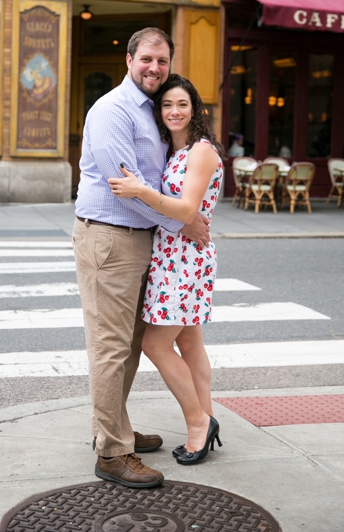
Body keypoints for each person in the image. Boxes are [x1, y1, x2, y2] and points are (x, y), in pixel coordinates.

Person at [73, 27, 210, 489]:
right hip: (111, 238)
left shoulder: (150, 110)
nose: (155, 67)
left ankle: (115, 430)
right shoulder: (113, 110)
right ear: (129, 59)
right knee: (112, 347)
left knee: (130, 344)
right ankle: (112, 452)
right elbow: (124, 186)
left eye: (162, 61)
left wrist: (173, 220)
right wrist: (182, 223)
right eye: (147, 59)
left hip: (140, 240)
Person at [109, 74, 224, 466]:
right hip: (172, 254)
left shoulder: (201, 151)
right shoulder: (174, 152)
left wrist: (142, 192)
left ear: (195, 110)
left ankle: (197, 423)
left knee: (155, 344)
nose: (174, 111)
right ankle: (207, 419)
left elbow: (188, 211)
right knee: (190, 344)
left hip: (185, 259)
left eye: (182, 104)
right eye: (167, 105)